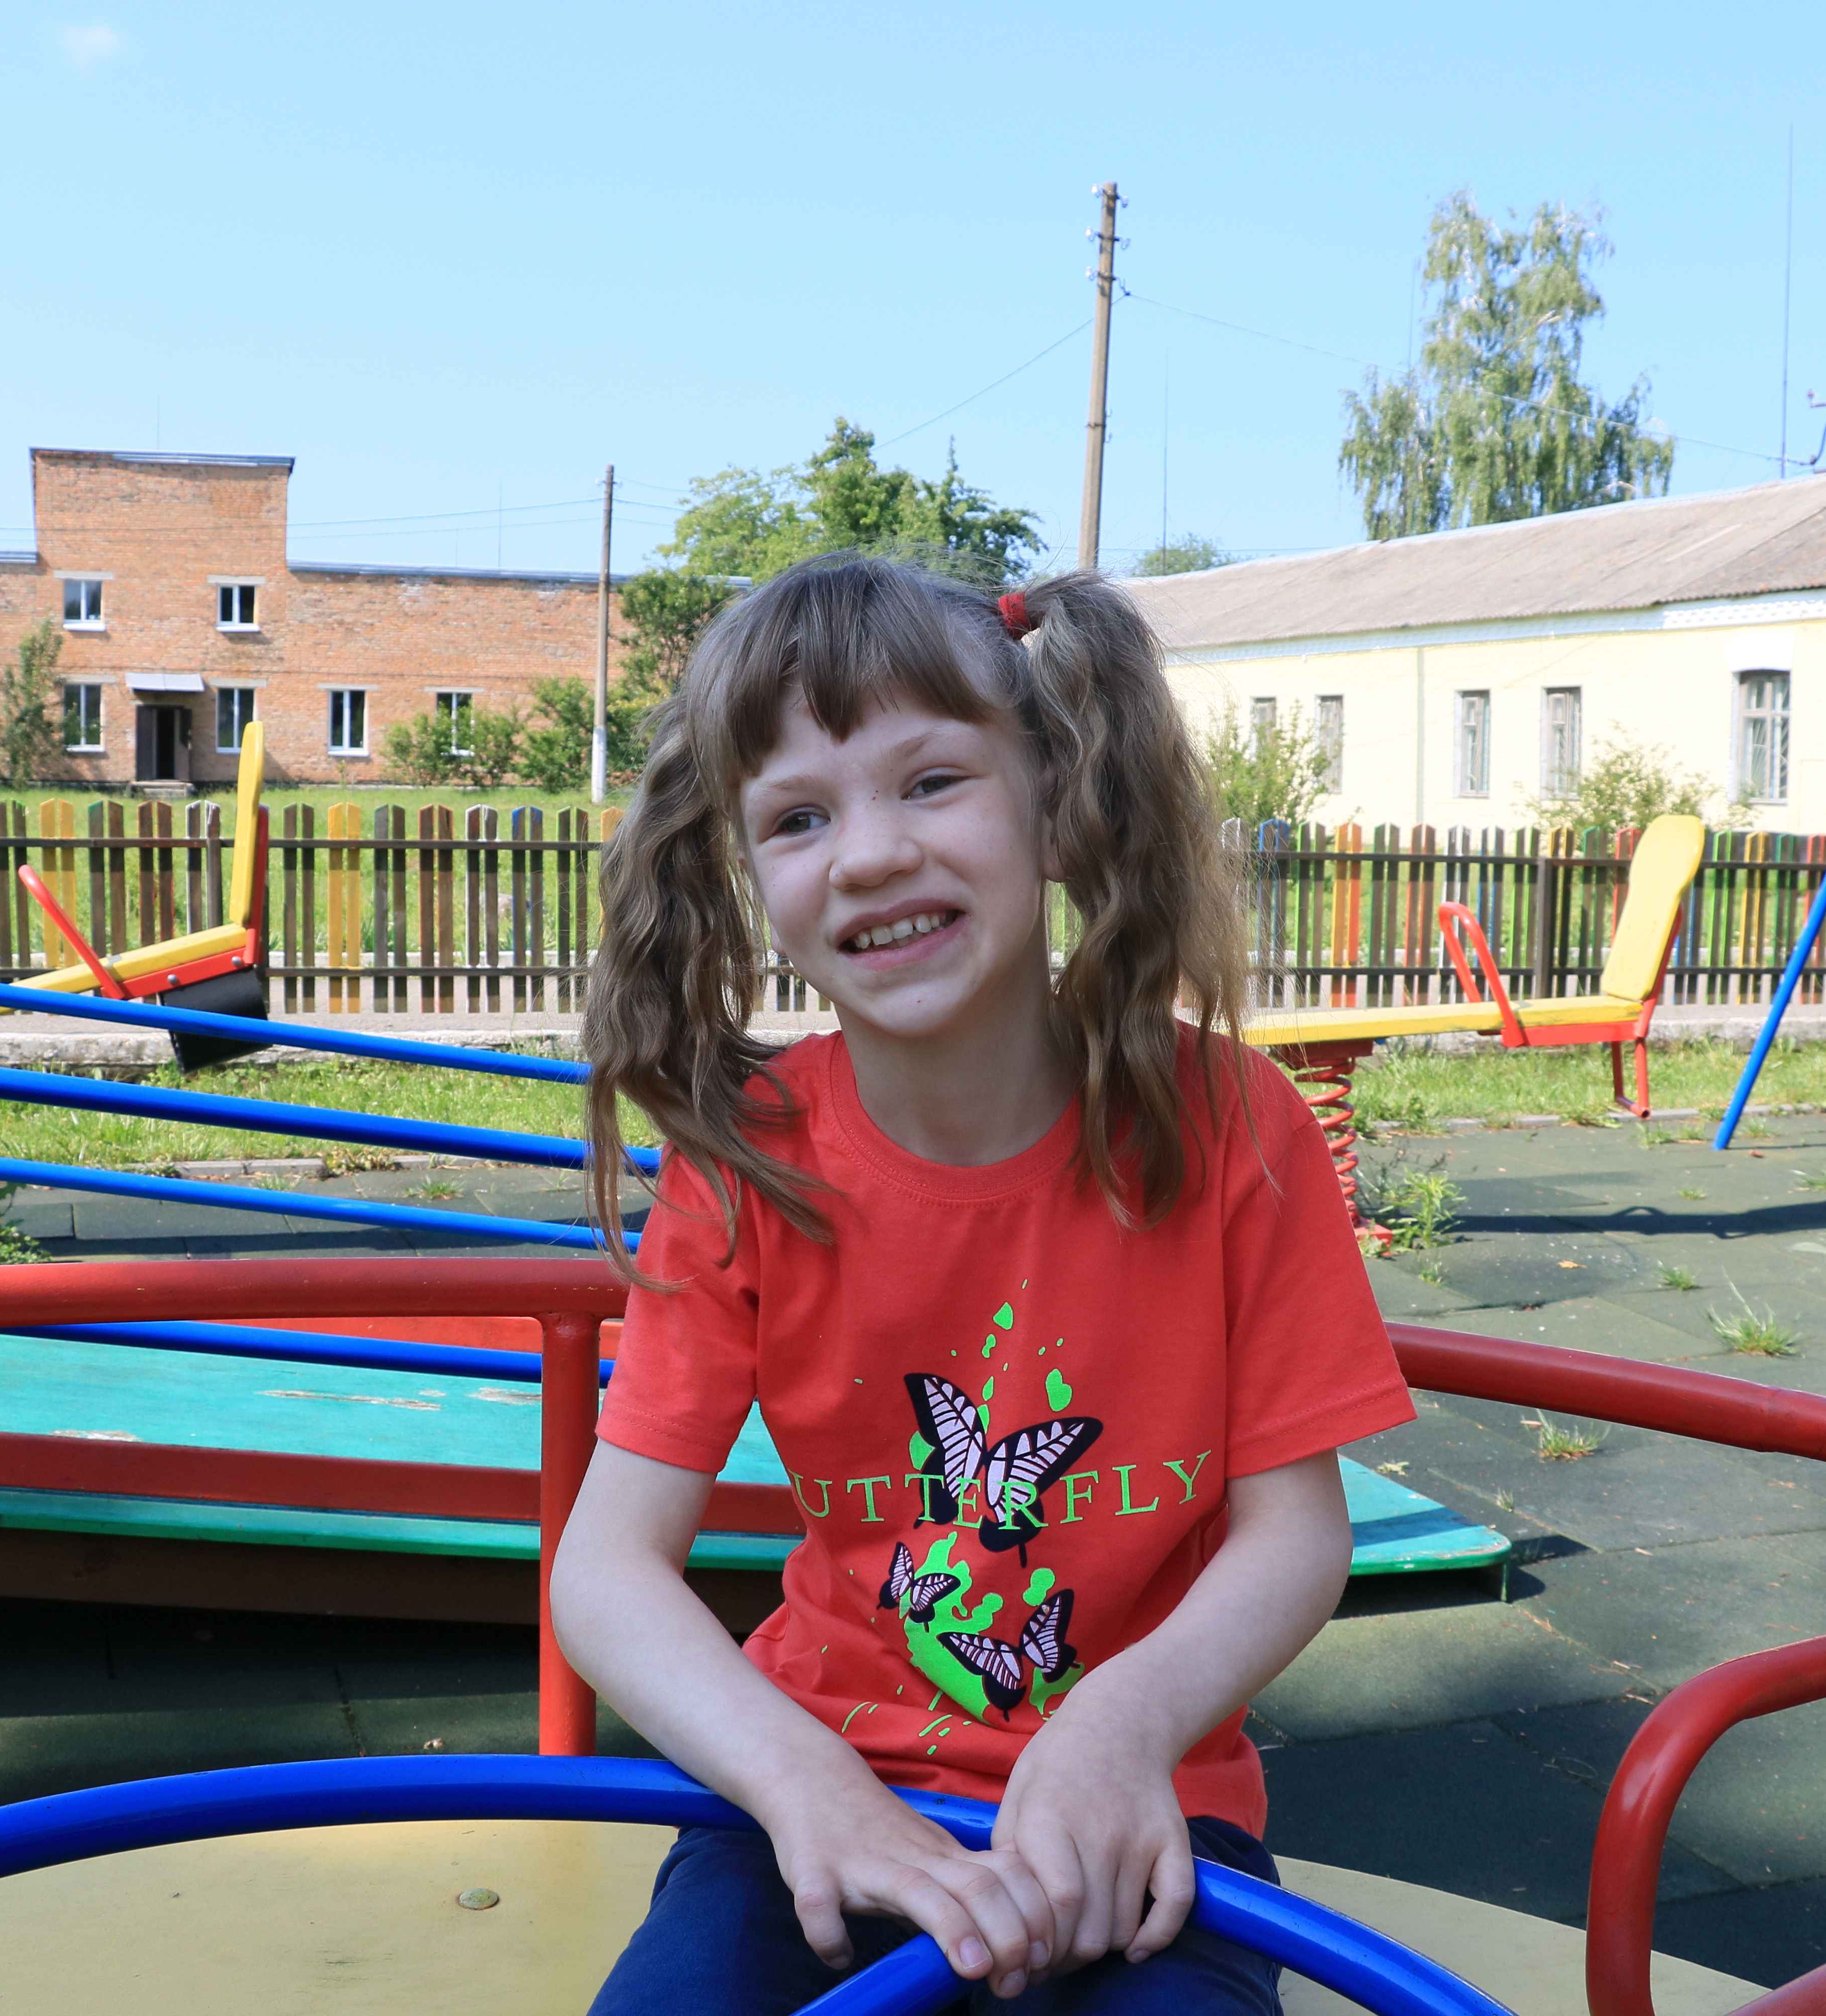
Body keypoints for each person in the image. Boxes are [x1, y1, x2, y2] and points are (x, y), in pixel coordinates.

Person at [554, 555, 1413, 2012]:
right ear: (747, 874)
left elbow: (1295, 1534)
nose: (870, 854)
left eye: (933, 782)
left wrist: (1124, 1726)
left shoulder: (1229, 1128)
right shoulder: (748, 1160)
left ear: (1057, 799)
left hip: (1140, 1793)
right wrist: (803, 1784)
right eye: (800, 817)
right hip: (829, 1780)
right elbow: (607, 1568)